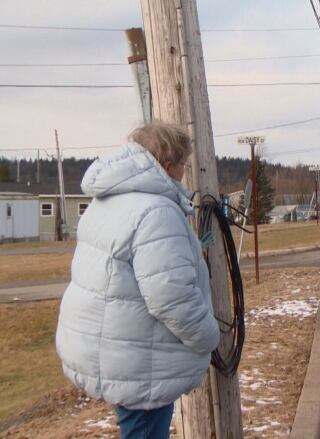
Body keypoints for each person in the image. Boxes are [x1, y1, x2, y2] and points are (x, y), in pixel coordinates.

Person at [55, 122, 219, 439]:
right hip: (140, 358)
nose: (186, 172)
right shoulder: (156, 212)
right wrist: (209, 338)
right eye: (184, 163)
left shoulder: (109, 200)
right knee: (144, 430)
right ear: (168, 164)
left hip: (112, 347)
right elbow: (171, 298)